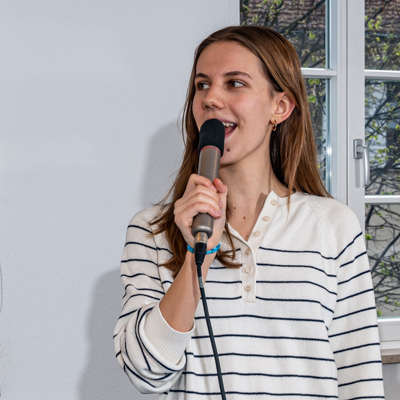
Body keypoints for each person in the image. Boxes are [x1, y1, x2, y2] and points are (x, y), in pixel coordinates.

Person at [113, 26, 385, 399]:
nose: (211, 98)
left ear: (280, 107)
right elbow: (145, 373)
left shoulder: (333, 226)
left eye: (234, 83)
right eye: (202, 84)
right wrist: (199, 254)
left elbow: (360, 378)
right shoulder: (151, 231)